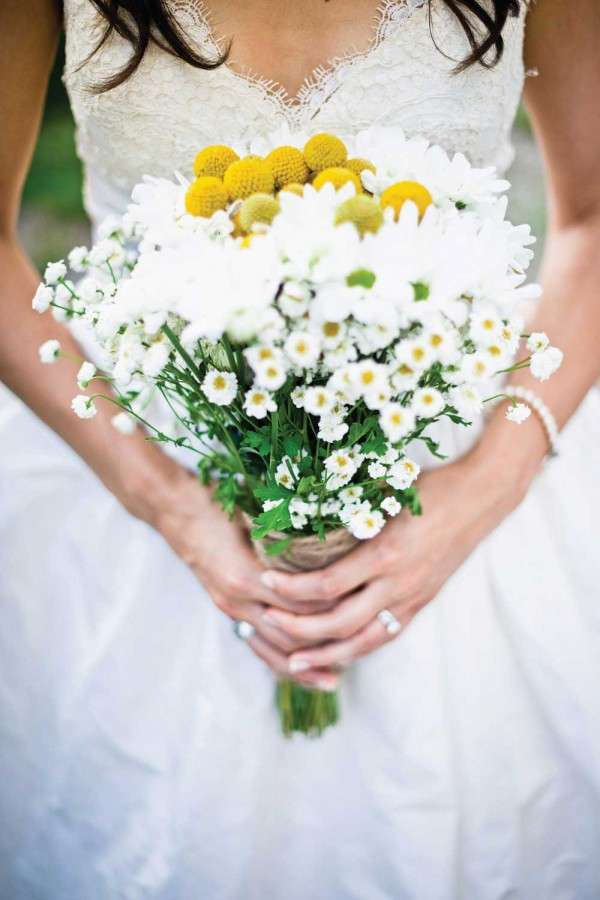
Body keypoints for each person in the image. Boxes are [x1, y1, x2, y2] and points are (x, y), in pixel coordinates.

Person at [1, 1, 599, 897]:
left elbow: (593, 219)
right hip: (135, 475)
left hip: (472, 480)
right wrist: (168, 500)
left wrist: (484, 488)